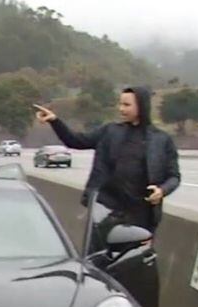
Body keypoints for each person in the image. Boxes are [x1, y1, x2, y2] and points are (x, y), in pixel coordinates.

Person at [34, 86, 180, 234]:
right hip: (106, 211)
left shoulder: (161, 140)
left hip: (142, 216)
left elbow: (174, 176)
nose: (121, 109)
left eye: (127, 105)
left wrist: (162, 190)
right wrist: (55, 121)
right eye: (120, 104)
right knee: (98, 254)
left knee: (135, 255)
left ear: (142, 106)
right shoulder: (110, 131)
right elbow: (75, 141)